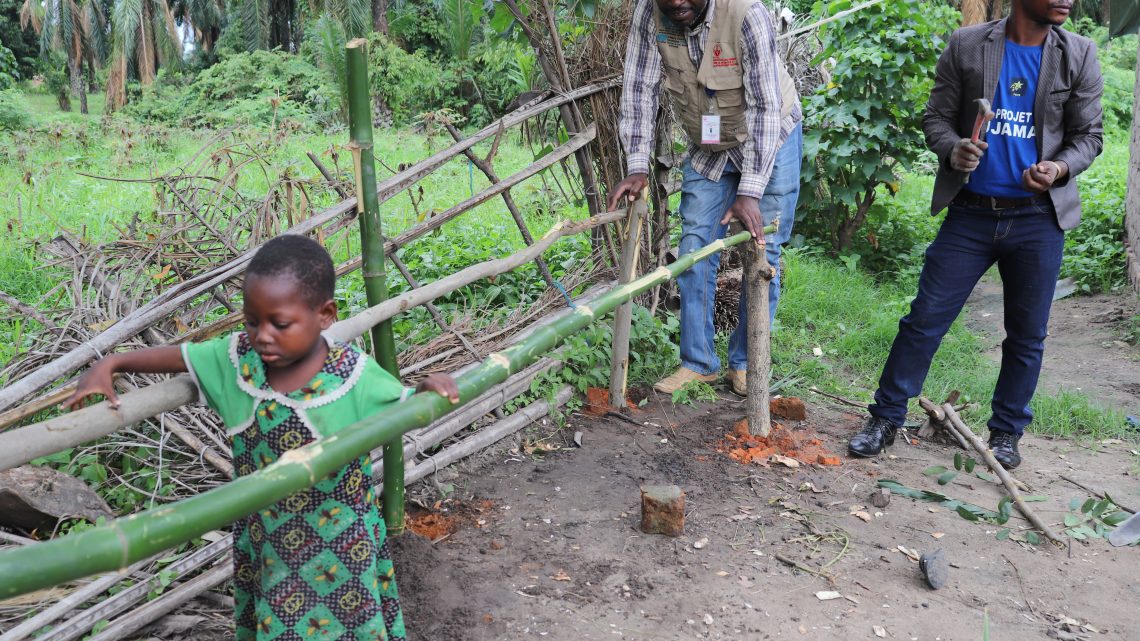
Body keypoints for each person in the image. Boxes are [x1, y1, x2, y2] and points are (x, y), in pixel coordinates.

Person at [66, 235, 460, 641]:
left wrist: (429, 390)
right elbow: (181, 356)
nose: (263, 335)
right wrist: (112, 363)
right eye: (252, 321)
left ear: (325, 315)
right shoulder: (238, 364)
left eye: (280, 323)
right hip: (268, 541)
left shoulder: (352, 377)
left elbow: (408, 407)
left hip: (343, 544)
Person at [847, 0, 1103, 469]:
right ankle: (885, 418)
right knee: (924, 320)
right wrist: (953, 149)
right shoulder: (968, 44)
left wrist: (1059, 166)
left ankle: (1006, 433)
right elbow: (936, 119)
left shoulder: (1079, 53)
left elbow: (1090, 135)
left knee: (1027, 335)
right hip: (970, 215)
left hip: (1038, 218)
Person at [607, 0, 803, 397]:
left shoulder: (747, 13)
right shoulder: (650, 13)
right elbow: (639, 88)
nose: (677, 2)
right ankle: (698, 363)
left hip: (769, 138)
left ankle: (747, 364)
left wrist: (750, 191)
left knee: (762, 251)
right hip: (708, 144)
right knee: (694, 247)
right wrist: (637, 164)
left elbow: (765, 108)